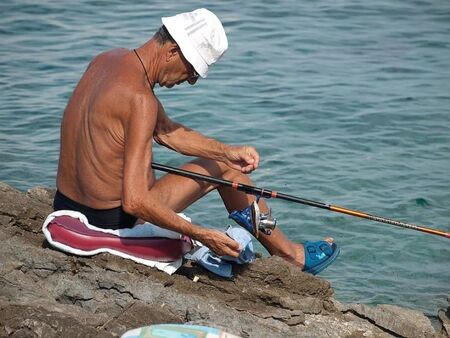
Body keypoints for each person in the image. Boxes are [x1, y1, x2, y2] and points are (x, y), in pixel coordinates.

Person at [54, 8, 338, 272]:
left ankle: (281, 246)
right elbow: (135, 202)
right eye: (192, 71)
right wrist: (201, 233)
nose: (190, 81)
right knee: (227, 173)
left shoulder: (107, 60)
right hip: (111, 219)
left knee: (223, 163)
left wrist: (226, 151)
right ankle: (292, 256)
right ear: (173, 51)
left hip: (66, 204)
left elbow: (165, 130)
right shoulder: (141, 101)